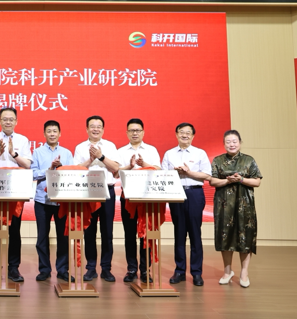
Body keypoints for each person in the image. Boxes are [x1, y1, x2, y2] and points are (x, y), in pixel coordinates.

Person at [0, 107, 32, 283]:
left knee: (14, 230)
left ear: (16, 121)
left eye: (11, 119)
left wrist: (13, 154)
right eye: (5, 119)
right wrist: (0, 152)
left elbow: (27, 165)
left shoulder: (23, 140)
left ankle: (13, 268)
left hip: (15, 189)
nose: (8, 122)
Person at [209, 130, 262, 288]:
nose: (231, 144)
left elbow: (257, 182)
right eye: (228, 142)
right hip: (224, 205)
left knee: (245, 236)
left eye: (234, 141)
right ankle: (227, 271)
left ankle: (244, 272)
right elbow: (212, 181)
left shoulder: (248, 160)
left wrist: (242, 179)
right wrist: (227, 181)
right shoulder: (218, 160)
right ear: (224, 144)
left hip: (244, 205)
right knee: (225, 236)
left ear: (240, 142)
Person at [161, 122, 211, 287]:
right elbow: (163, 175)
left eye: (188, 133)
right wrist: (174, 172)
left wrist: (188, 172)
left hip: (195, 193)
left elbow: (206, 175)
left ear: (193, 135)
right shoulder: (169, 154)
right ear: (176, 134)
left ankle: (196, 272)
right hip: (176, 194)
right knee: (179, 233)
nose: (184, 135)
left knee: (195, 233)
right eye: (181, 132)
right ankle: (180, 270)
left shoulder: (200, 153)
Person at [73, 115, 121, 283]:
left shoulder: (110, 146)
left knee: (107, 232)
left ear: (103, 129)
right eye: (92, 126)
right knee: (89, 231)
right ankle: (91, 268)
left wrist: (101, 157)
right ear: (87, 129)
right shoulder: (80, 147)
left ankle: (106, 269)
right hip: (88, 192)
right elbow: (76, 169)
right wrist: (90, 160)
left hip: (107, 191)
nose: (95, 129)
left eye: (98, 126)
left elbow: (116, 168)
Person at [117, 118, 161, 284]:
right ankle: (131, 269)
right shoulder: (121, 151)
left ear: (143, 132)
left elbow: (158, 170)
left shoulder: (151, 150)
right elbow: (115, 172)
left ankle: (145, 270)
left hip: (147, 198)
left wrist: (144, 164)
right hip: (128, 197)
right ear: (127, 132)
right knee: (129, 234)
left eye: (138, 130)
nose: (135, 133)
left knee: (146, 234)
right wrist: (129, 167)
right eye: (131, 130)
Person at [31, 120, 73, 282]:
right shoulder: (37, 152)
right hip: (42, 200)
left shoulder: (67, 153)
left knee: (63, 236)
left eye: (55, 131)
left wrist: (60, 167)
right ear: (44, 134)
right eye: (49, 131)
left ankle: (62, 270)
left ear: (60, 133)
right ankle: (44, 269)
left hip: (62, 200)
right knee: (42, 236)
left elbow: (71, 174)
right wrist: (49, 169)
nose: (52, 134)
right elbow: (33, 174)